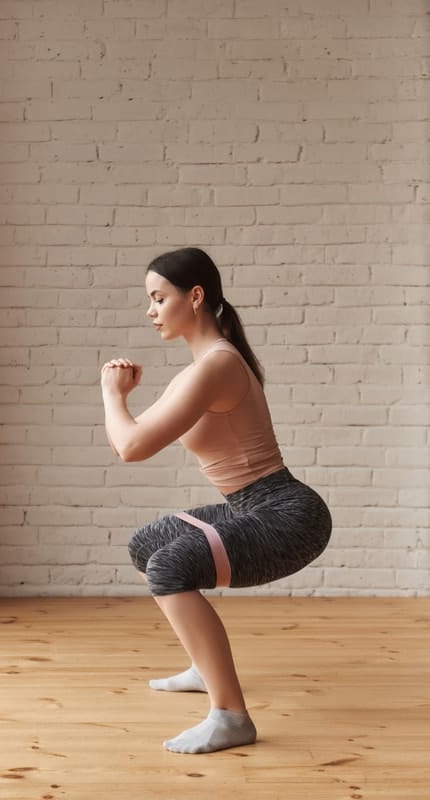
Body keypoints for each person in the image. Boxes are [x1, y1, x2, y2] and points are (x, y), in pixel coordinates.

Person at [100, 247, 332, 754]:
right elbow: (134, 439)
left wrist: (112, 394)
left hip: (288, 515)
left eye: (159, 298)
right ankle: (205, 668)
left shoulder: (217, 366)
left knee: (168, 567)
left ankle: (231, 715)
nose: (150, 310)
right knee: (148, 545)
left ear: (196, 297)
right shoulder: (204, 366)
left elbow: (131, 447)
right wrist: (121, 402)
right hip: (253, 506)